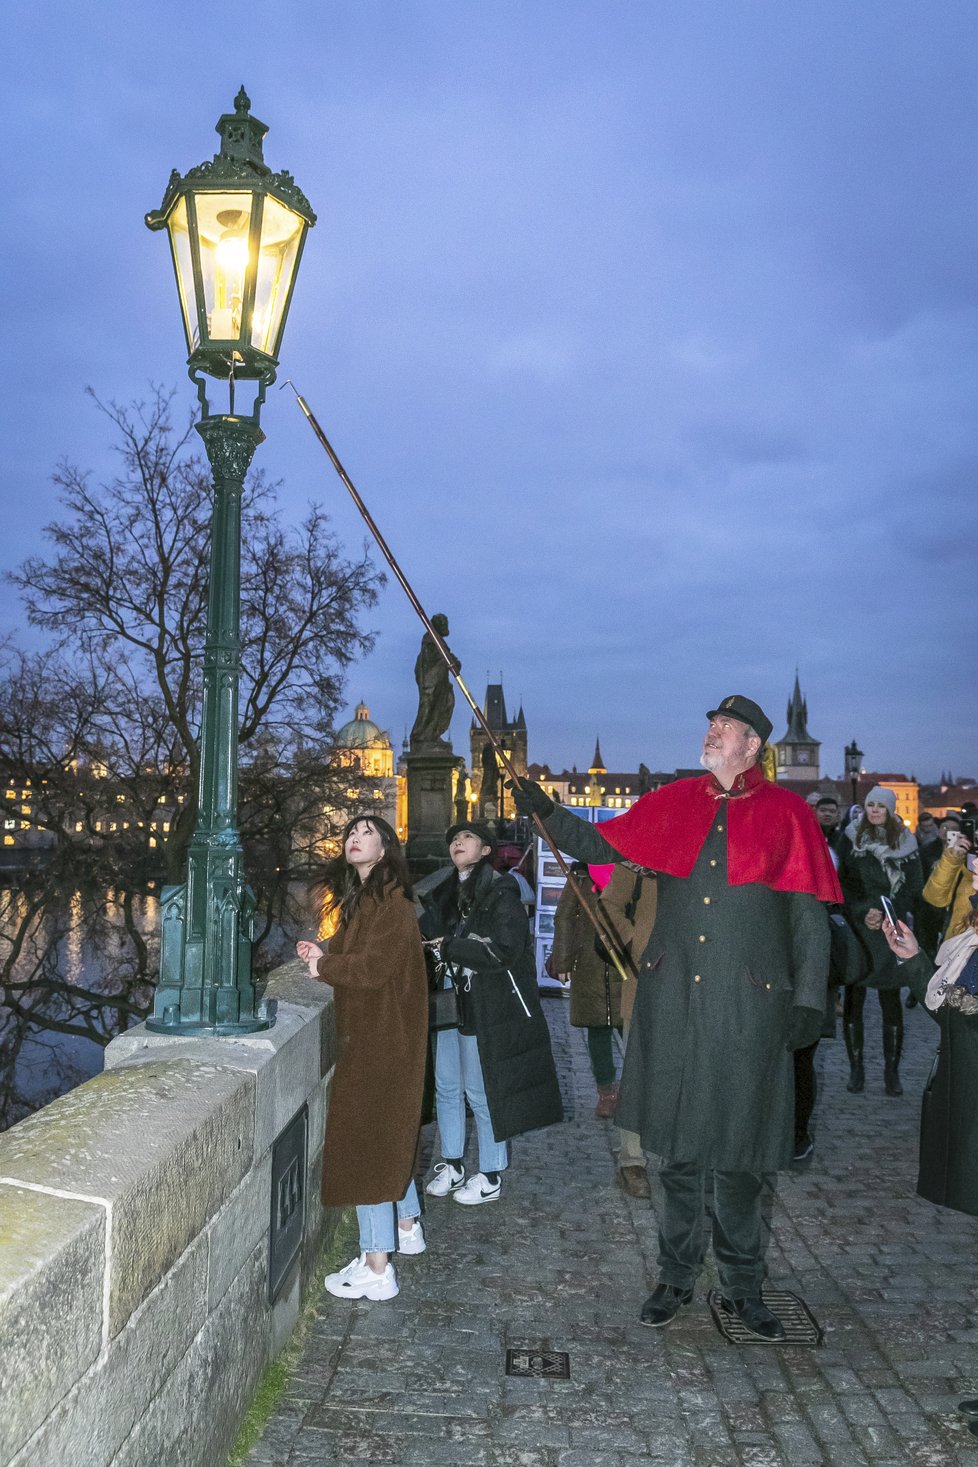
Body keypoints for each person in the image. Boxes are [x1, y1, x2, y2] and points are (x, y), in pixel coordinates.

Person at [511, 695, 839, 1340]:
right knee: (680, 1155)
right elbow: (601, 841)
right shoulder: (677, 801)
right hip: (676, 1000)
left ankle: (744, 1285)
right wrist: (545, 809)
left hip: (752, 1005)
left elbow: (809, 920)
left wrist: (807, 1003)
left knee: (742, 1157)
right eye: (710, 725)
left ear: (753, 745)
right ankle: (676, 1275)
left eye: (726, 728)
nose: (712, 734)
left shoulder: (788, 813)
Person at [296, 815, 428, 1302]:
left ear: (387, 846)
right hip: (380, 1036)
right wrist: (325, 951)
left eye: (368, 831)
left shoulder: (390, 902)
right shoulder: (370, 898)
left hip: (381, 1040)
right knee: (388, 1136)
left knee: (371, 1144)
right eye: (351, 831)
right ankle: (407, 1226)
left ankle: (377, 1266)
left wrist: (323, 966)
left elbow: (373, 969)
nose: (355, 837)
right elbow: (363, 951)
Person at [420, 819, 562, 1205]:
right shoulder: (443, 893)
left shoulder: (502, 891)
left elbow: (505, 950)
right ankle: (452, 1165)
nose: (457, 843)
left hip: (483, 999)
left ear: (486, 850)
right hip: (448, 996)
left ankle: (491, 1173)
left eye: (467, 837)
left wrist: (451, 946)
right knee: (446, 1084)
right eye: (453, 838)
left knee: (479, 1090)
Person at [838, 788, 922, 1096]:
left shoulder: (906, 842)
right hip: (860, 928)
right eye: (870, 805)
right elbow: (842, 882)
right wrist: (862, 911)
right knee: (855, 996)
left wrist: (891, 914)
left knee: (890, 998)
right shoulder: (851, 838)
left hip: (893, 926)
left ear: (889, 809)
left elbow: (915, 884)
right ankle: (856, 1069)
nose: (874, 810)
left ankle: (892, 1071)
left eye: (880, 806)